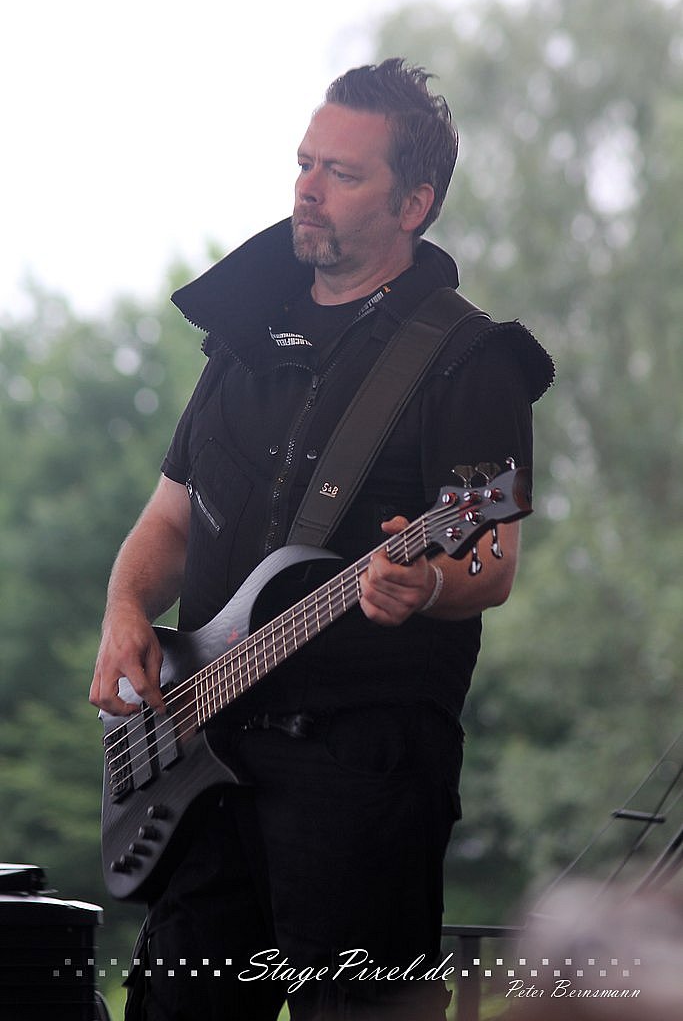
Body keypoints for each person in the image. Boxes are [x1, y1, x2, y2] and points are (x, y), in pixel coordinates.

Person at [90, 59, 553, 1021]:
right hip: (198, 756)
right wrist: (125, 609)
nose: (307, 187)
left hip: (359, 783)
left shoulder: (469, 359)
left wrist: (427, 587)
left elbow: (490, 557)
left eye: (341, 173)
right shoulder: (246, 339)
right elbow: (171, 513)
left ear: (413, 203)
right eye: (304, 163)